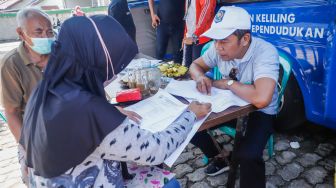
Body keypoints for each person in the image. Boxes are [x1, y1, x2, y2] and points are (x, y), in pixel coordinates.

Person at [20, 15, 211, 187]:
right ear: (96, 60)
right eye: (111, 68)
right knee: (167, 181)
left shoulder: (44, 90)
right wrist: (190, 114)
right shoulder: (88, 110)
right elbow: (156, 150)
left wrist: (107, 113)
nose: (113, 76)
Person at [189, 6, 279, 188]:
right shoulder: (218, 49)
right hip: (229, 106)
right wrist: (200, 77)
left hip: (259, 112)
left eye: (224, 41)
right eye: (215, 40)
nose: (218, 46)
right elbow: (194, 66)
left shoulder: (265, 52)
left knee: (248, 155)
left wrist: (227, 84)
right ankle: (220, 156)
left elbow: (261, 99)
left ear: (245, 39)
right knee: (188, 122)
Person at [0, 7, 54, 184]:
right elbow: (12, 111)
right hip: (34, 138)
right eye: (38, 32)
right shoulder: (11, 64)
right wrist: (29, 148)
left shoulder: (58, 53)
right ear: (21, 33)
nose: (45, 37)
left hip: (64, 131)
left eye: (49, 31)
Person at [183, 0, 216, 67]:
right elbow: (188, 16)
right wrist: (185, 34)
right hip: (189, 36)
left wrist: (194, 37)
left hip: (200, 38)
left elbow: (205, 15)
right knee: (186, 68)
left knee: (196, 68)